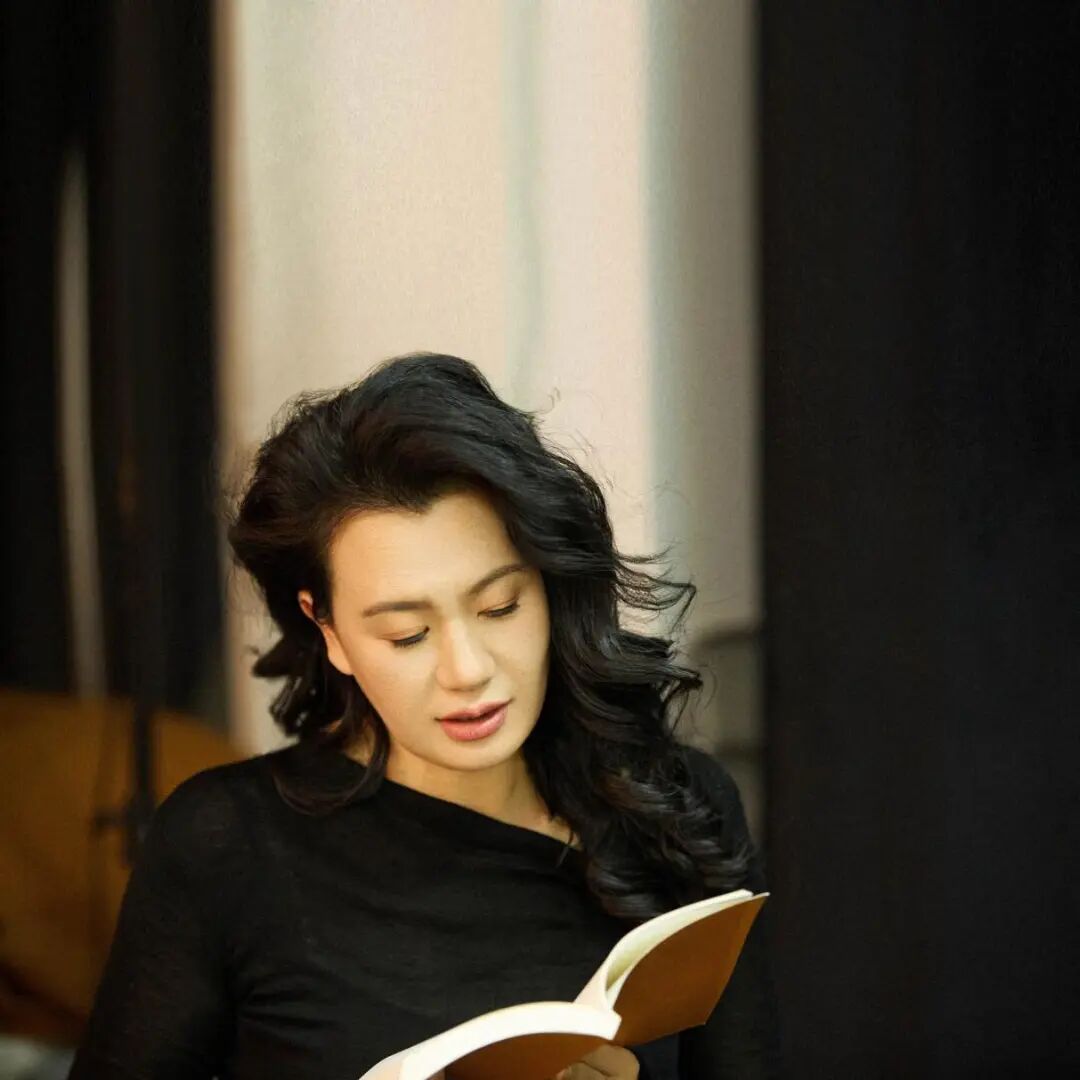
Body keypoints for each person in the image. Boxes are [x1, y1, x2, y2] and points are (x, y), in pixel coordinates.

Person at [67, 353, 781, 1079]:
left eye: (500, 606)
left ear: (549, 586)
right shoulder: (226, 846)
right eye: (406, 634)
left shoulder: (677, 810)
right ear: (327, 628)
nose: (467, 670)